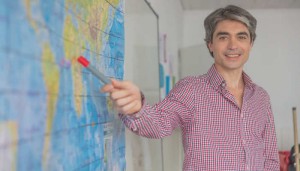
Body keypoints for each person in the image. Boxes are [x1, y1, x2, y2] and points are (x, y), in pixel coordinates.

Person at [102, 5, 280, 171]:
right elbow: (159, 123)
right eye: (223, 37)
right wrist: (137, 108)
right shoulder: (191, 89)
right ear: (210, 44)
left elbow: (271, 159)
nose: (233, 45)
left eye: (241, 37)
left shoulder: (261, 97)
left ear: (250, 44)